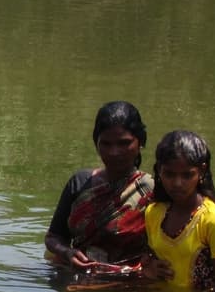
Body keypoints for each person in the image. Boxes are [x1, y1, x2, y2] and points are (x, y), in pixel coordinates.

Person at [44, 101, 154, 270]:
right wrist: (67, 252)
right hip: (78, 276)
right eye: (106, 144)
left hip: (128, 283)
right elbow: (54, 237)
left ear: (140, 143)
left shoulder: (151, 190)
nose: (114, 152)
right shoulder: (81, 183)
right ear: (96, 144)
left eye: (124, 143)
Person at [141, 130, 215, 292]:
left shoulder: (213, 221)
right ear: (159, 171)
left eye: (187, 175)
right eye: (169, 174)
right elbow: (148, 260)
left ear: (202, 171)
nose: (177, 183)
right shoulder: (153, 213)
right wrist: (149, 269)